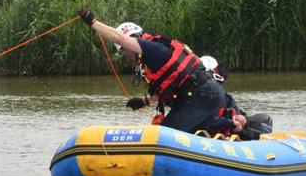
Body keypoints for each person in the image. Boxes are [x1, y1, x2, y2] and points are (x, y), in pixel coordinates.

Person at [77, 8, 225, 134]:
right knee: (169, 130)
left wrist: (93, 22)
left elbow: (118, 37)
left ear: (135, 39)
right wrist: (143, 101)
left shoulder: (152, 48)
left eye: (125, 49)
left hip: (203, 95)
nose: (126, 54)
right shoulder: (151, 59)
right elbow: (166, 87)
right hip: (196, 96)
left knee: (165, 135)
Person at [199, 55, 273, 140]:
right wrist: (230, 123)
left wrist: (237, 114)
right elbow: (204, 120)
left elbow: (229, 99)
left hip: (221, 132)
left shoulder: (216, 91)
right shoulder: (199, 94)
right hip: (204, 136)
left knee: (262, 119)